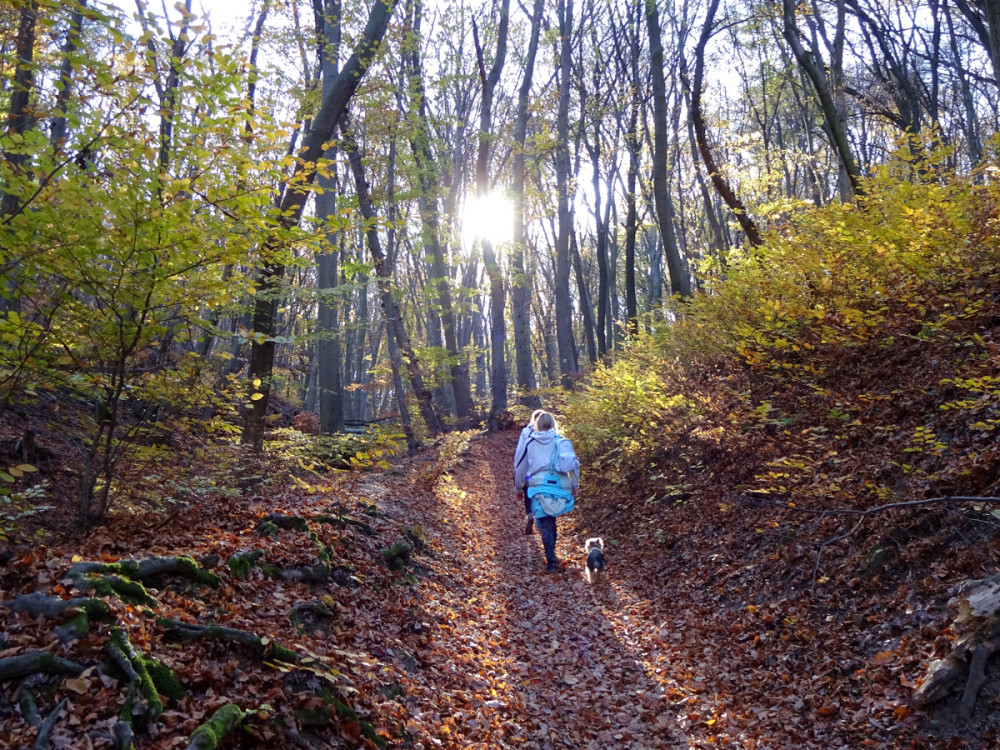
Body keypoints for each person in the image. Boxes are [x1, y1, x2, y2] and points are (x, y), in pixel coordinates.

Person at [513, 411, 580, 573]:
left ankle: (551, 562)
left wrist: (519, 487)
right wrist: (574, 485)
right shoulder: (561, 442)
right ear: (553, 424)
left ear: (537, 425)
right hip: (559, 486)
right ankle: (552, 557)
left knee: (545, 522)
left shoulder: (530, 443)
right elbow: (575, 465)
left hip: (538, 487)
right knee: (551, 521)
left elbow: (520, 468)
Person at [513, 409, 545, 535]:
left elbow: (520, 453)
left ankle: (530, 514)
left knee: (528, 495)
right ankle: (541, 518)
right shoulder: (550, 434)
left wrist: (518, 483)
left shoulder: (526, 432)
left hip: (527, 474)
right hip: (543, 475)